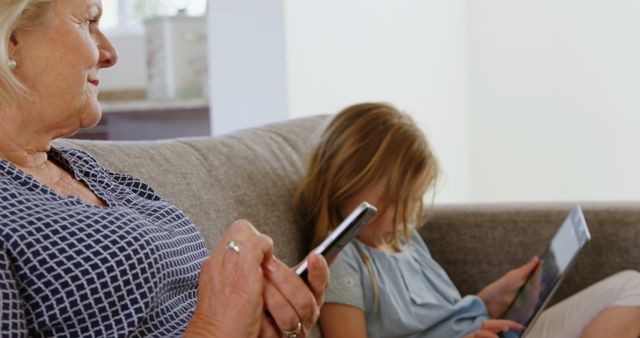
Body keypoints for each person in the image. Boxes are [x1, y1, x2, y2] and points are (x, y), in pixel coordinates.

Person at [0, 1, 328, 337]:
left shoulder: (88, 172)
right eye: (88, 21)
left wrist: (256, 315)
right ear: (12, 39)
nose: (110, 53)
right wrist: (214, 329)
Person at [294, 102, 640, 338]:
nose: (405, 217)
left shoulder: (403, 240)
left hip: (489, 329)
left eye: (411, 200)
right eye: (394, 202)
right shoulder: (342, 264)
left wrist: (488, 300)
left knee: (631, 286)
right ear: (346, 182)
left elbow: (440, 320)